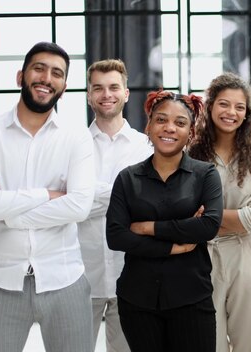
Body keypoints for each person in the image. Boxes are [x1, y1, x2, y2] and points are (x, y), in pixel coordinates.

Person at [0, 42, 95, 352]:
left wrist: (6, 206)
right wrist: (47, 195)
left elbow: (79, 206)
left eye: (56, 73)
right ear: (20, 76)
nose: (46, 78)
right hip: (0, 282)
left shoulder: (76, 135)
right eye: (39, 68)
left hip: (64, 280)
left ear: (63, 87)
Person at [106, 90, 223, 352]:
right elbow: (116, 236)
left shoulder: (205, 175)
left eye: (180, 123)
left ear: (191, 133)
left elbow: (208, 226)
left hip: (192, 298)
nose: (169, 128)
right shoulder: (128, 178)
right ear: (148, 126)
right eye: (161, 120)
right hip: (137, 300)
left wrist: (148, 228)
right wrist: (173, 245)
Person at [189, 72, 251, 352]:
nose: (231, 112)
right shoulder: (189, 155)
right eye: (224, 104)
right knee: (206, 343)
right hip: (199, 260)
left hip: (248, 261)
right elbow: (180, 215)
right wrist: (229, 219)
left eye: (240, 107)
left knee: (250, 343)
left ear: (247, 114)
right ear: (210, 105)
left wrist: (206, 218)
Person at [77, 59, 152, 352]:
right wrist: (125, 195)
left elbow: (146, 204)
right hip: (81, 275)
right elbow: (72, 201)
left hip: (131, 274)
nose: (106, 94)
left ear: (126, 93)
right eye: (98, 88)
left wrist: (86, 195)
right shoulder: (73, 144)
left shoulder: (145, 146)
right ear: (88, 95)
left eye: (113, 87)